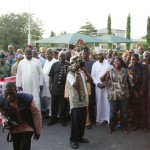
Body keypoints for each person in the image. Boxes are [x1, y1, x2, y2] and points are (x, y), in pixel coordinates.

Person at [0, 82, 42, 150]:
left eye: (11, 93)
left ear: (16, 91)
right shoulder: (1, 101)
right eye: (6, 93)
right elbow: (3, 114)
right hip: (14, 127)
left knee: (24, 148)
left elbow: (36, 115)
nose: (9, 96)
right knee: (16, 148)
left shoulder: (27, 99)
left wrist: (38, 131)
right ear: (2, 93)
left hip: (27, 125)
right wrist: (4, 120)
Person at [100, 57, 136, 134]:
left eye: (118, 61)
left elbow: (132, 83)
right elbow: (102, 80)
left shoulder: (126, 71)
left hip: (124, 95)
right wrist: (104, 74)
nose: (116, 62)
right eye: (115, 61)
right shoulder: (110, 71)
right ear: (113, 63)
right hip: (113, 95)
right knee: (112, 112)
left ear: (121, 62)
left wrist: (134, 75)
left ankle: (124, 127)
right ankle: (111, 126)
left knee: (124, 112)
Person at [67, 56, 93, 149]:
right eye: (76, 62)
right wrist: (76, 72)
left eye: (79, 62)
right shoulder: (70, 74)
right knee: (75, 122)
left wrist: (85, 71)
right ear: (72, 64)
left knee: (82, 122)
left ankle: (79, 137)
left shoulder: (82, 72)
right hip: (76, 102)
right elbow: (76, 86)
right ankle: (73, 139)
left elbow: (90, 80)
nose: (78, 64)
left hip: (84, 101)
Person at [47, 51, 70, 126]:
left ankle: (62, 118)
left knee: (63, 104)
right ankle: (53, 118)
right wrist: (49, 85)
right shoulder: (54, 64)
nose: (61, 58)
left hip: (64, 88)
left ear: (65, 57)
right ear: (58, 57)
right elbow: (51, 76)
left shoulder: (68, 65)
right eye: (60, 57)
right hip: (55, 88)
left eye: (62, 57)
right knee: (54, 104)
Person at [91, 49, 113, 125]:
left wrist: (105, 83)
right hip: (98, 87)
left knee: (107, 103)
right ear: (96, 55)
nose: (100, 55)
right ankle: (99, 119)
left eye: (101, 54)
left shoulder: (109, 63)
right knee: (99, 103)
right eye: (98, 54)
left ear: (104, 54)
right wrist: (97, 83)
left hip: (107, 86)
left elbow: (111, 75)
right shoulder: (94, 64)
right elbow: (93, 76)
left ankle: (108, 119)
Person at [128, 54, 148, 131]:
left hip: (143, 91)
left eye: (135, 59)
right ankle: (136, 124)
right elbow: (130, 82)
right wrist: (135, 91)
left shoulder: (143, 67)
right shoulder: (129, 68)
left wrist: (142, 90)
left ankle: (143, 125)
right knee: (135, 109)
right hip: (134, 92)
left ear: (138, 59)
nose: (134, 61)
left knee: (143, 109)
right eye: (132, 59)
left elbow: (145, 79)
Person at [82, 47, 96, 129]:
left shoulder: (93, 62)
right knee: (84, 102)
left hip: (91, 85)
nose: (84, 55)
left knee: (91, 102)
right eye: (83, 53)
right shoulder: (79, 63)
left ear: (89, 53)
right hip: (82, 85)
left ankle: (92, 117)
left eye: (86, 53)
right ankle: (86, 119)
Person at [42, 49, 57, 118]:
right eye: (47, 54)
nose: (48, 55)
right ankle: (50, 113)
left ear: (53, 54)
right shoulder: (46, 62)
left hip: (52, 84)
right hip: (45, 83)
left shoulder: (55, 62)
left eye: (49, 54)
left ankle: (55, 114)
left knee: (53, 100)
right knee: (47, 99)